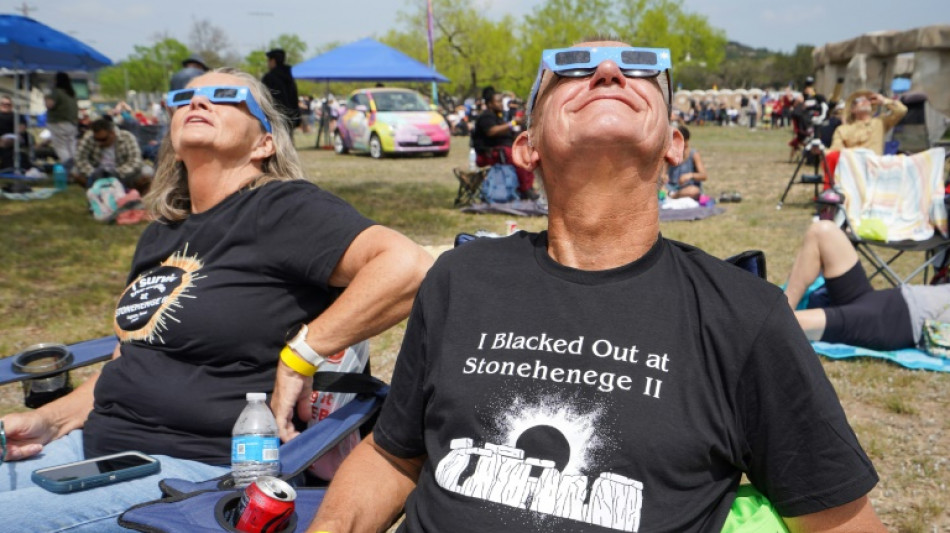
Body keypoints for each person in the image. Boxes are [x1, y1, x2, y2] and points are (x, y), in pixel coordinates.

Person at [309, 40, 885, 532]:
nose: (608, 73)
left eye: (639, 72)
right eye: (572, 70)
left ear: (675, 145)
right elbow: (393, 456)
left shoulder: (744, 315)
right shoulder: (460, 279)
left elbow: (837, 517)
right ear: (527, 148)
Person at [0, 69, 432, 532]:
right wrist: (51, 419)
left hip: (194, 474)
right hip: (89, 450)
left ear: (264, 142)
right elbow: (133, 358)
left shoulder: (281, 209)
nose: (198, 102)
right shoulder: (161, 232)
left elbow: (408, 267)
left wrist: (302, 353)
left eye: (226, 96)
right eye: (185, 96)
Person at [785, 220, 949, 351]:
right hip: (882, 298)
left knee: (785, 323)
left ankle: (772, 318)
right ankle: (784, 306)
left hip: (894, 324)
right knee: (822, 231)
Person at [471, 87, 537, 200]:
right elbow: (491, 131)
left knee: (526, 156)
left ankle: (528, 187)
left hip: (502, 150)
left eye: (501, 101)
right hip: (490, 153)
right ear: (489, 104)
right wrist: (513, 123)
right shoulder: (486, 116)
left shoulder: (497, 117)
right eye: (498, 102)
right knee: (520, 160)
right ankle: (525, 190)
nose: (501, 104)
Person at [71, 117, 149, 193]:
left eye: (103, 139)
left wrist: (118, 173)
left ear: (112, 133)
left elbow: (136, 161)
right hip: (97, 174)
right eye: (96, 140)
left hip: (122, 174)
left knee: (147, 172)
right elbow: (79, 158)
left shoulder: (127, 137)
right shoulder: (89, 137)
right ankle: (95, 191)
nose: (99, 143)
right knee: (75, 171)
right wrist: (92, 173)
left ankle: (133, 192)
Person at [829, 91, 907, 155]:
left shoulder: (880, 122)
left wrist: (883, 101)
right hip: (854, 170)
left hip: (875, 170)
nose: (865, 101)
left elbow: (901, 110)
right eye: (859, 100)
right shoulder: (843, 129)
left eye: (868, 100)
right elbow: (835, 152)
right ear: (852, 109)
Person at [262, 48, 301, 135]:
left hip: (275, 118)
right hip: (290, 118)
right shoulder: (289, 77)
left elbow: (264, 98)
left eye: (269, 60)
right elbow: (294, 98)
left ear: (273, 61)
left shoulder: (269, 78)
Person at [45, 71, 79, 166]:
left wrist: (47, 94)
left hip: (58, 123)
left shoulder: (56, 92)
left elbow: (49, 105)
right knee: (72, 147)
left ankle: (69, 168)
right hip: (72, 124)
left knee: (61, 147)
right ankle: (76, 168)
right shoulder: (72, 93)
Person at [665, 124, 707, 200]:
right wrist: (664, 177)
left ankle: (673, 196)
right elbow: (663, 173)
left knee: (694, 191)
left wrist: (690, 175)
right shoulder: (671, 153)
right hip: (671, 186)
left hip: (687, 188)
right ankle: (671, 195)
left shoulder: (693, 154)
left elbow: (704, 176)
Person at [0, 95, 31, 171]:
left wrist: (17, 133)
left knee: (7, 140)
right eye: (3, 104)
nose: (5, 106)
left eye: (8, 104)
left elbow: (22, 128)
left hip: (14, 136)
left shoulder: (17, 116)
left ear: (12, 106)